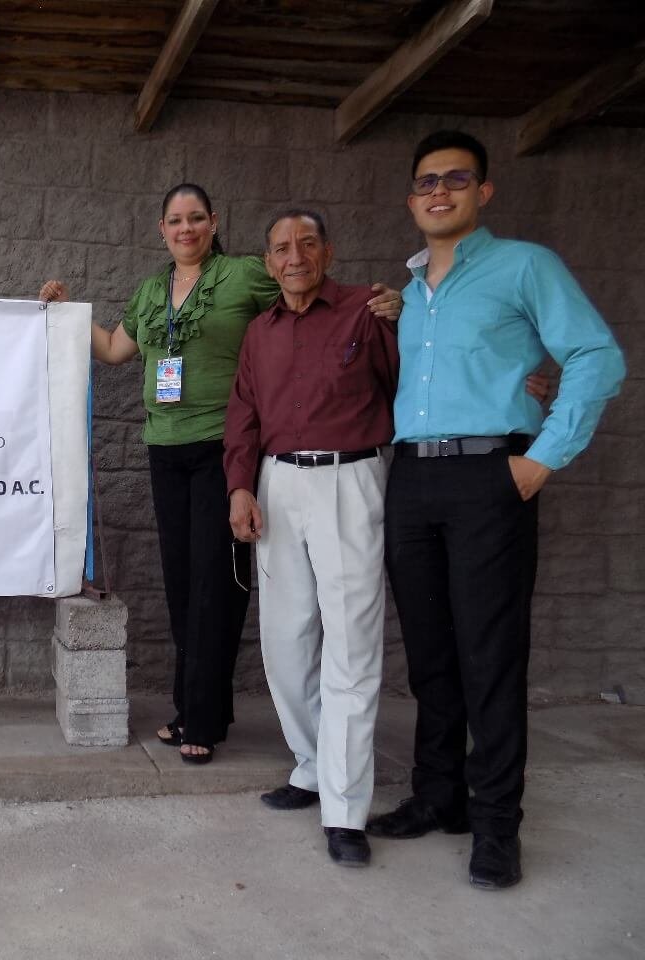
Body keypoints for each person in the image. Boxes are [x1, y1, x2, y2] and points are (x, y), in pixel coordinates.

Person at [40, 184, 401, 764]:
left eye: (196, 218)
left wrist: (380, 306)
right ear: (161, 229)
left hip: (223, 447)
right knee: (183, 582)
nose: (186, 229)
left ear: (214, 223)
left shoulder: (243, 277)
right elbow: (112, 349)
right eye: (175, 220)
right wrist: (65, 310)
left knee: (218, 584)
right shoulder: (151, 290)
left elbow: (299, 304)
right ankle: (193, 707)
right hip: (166, 447)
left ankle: (203, 716)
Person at [367, 130, 625, 890]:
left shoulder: (524, 265)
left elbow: (597, 355)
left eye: (455, 178)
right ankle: (438, 796)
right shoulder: (411, 293)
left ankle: (496, 824)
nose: (438, 191)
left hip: (490, 476)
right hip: (411, 479)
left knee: (490, 656)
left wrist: (543, 455)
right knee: (431, 655)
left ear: (484, 192)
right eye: (425, 182)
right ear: (412, 199)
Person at [225, 210, 398, 867]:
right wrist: (241, 486)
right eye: (280, 248)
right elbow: (243, 412)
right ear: (268, 262)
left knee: (351, 641)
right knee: (286, 638)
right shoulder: (260, 333)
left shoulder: (367, 311)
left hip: (350, 480)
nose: (293, 256)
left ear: (327, 249)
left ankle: (346, 808)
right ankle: (310, 764)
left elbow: (413, 385)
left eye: (305, 244)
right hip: (277, 486)